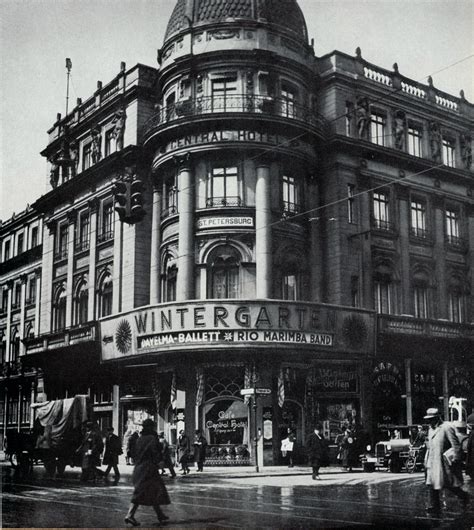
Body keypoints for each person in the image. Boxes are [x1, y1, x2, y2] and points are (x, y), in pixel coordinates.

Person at [124, 419, 170, 527]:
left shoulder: (139, 439)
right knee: (141, 492)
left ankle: (160, 514)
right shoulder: (152, 439)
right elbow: (156, 453)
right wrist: (160, 461)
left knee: (153, 491)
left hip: (138, 468)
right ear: (151, 427)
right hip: (148, 470)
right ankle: (130, 515)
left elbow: (134, 453)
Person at [423, 407, 469, 514]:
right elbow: (430, 447)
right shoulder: (430, 430)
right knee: (431, 484)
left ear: (438, 418)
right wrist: (427, 460)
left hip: (444, 463)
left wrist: (456, 459)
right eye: (428, 419)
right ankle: (435, 506)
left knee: (450, 485)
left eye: (432, 419)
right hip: (433, 462)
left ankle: (464, 496)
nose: (430, 422)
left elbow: (456, 445)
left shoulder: (446, 427)